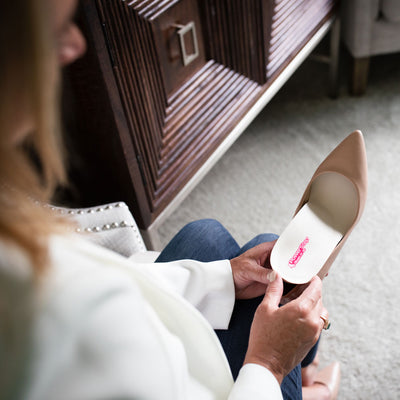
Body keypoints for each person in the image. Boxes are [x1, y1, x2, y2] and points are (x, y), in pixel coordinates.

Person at [0, 0, 339, 399]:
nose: (77, 44)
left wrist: (221, 278)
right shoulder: (72, 313)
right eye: (54, 32)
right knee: (275, 275)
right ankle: (304, 382)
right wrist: (270, 364)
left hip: (160, 335)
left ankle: (305, 367)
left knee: (209, 238)